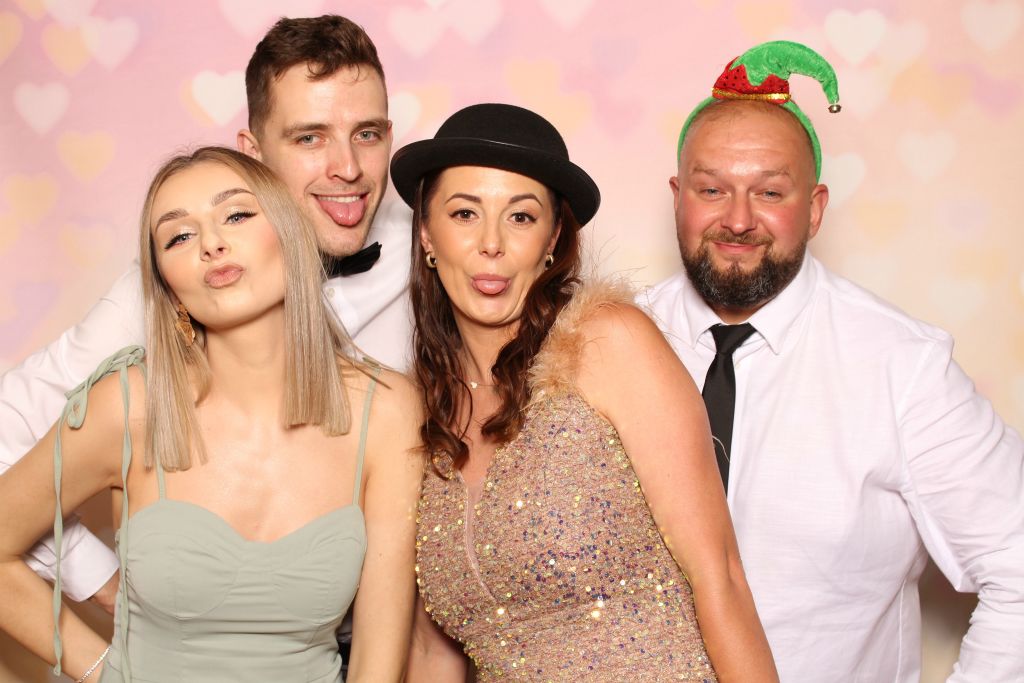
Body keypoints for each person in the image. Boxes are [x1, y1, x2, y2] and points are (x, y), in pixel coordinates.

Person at [0, 14, 412, 612]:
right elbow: (7, 428)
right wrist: (111, 593)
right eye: (309, 138)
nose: (347, 168)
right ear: (253, 154)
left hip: (389, 634)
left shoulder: (432, 247)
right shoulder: (182, 280)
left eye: (367, 134)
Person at [646, 41, 1024, 682]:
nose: (738, 220)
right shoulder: (608, 344)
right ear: (679, 198)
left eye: (770, 192)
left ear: (815, 209)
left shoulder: (903, 368)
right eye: (712, 189)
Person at [0, 147, 422, 682]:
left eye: (237, 215)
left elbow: (378, 664)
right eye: (179, 236)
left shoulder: (386, 410)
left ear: (291, 235)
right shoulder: (127, 406)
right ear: (166, 285)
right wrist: (104, 671)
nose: (211, 244)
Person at [393, 103, 778, 681]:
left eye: (521, 217)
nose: (491, 243)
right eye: (465, 213)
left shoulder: (606, 342)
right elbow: (432, 652)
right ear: (427, 232)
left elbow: (718, 575)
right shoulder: (422, 413)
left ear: (553, 238)